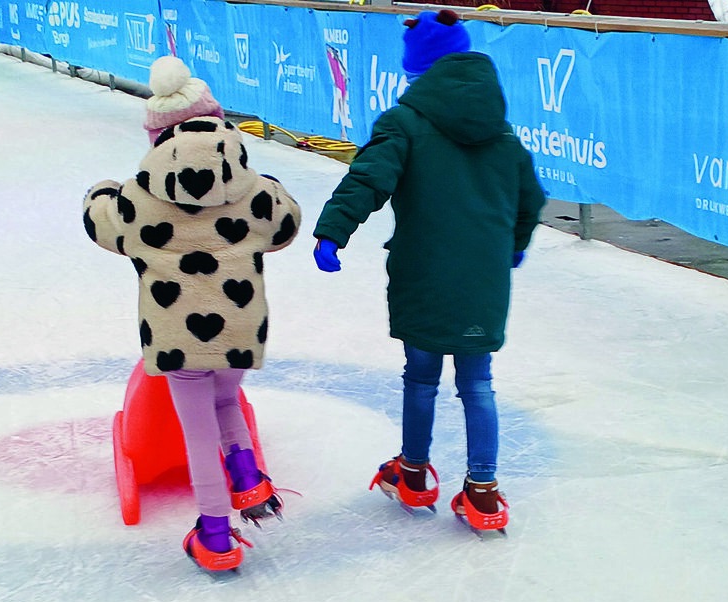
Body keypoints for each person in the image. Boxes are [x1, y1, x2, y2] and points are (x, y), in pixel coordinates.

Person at [312, 10, 545, 534]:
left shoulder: (405, 123)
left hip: (423, 274)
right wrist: (513, 245)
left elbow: (368, 178)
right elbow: (531, 199)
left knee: (420, 377)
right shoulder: (502, 135)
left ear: (418, 70)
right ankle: (483, 492)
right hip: (483, 281)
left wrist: (333, 230)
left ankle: (414, 474)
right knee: (477, 383)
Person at [84, 56, 301, 571]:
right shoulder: (249, 184)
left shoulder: (140, 193)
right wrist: (266, 184)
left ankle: (215, 532)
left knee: (197, 428)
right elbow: (285, 223)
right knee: (226, 399)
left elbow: (103, 224)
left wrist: (99, 193)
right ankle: (247, 478)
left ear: (157, 134)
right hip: (241, 326)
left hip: (177, 334)